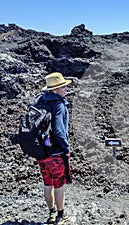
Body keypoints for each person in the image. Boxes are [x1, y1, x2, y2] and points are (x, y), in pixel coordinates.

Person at [35, 72, 72, 225]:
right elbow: (58, 131)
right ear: (55, 90)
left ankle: (51, 213)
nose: (66, 89)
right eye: (63, 87)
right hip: (55, 153)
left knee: (47, 183)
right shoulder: (59, 105)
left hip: (41, 152)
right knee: (59, 184)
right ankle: (61, 215)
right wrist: (66, 148)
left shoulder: (39, 101)